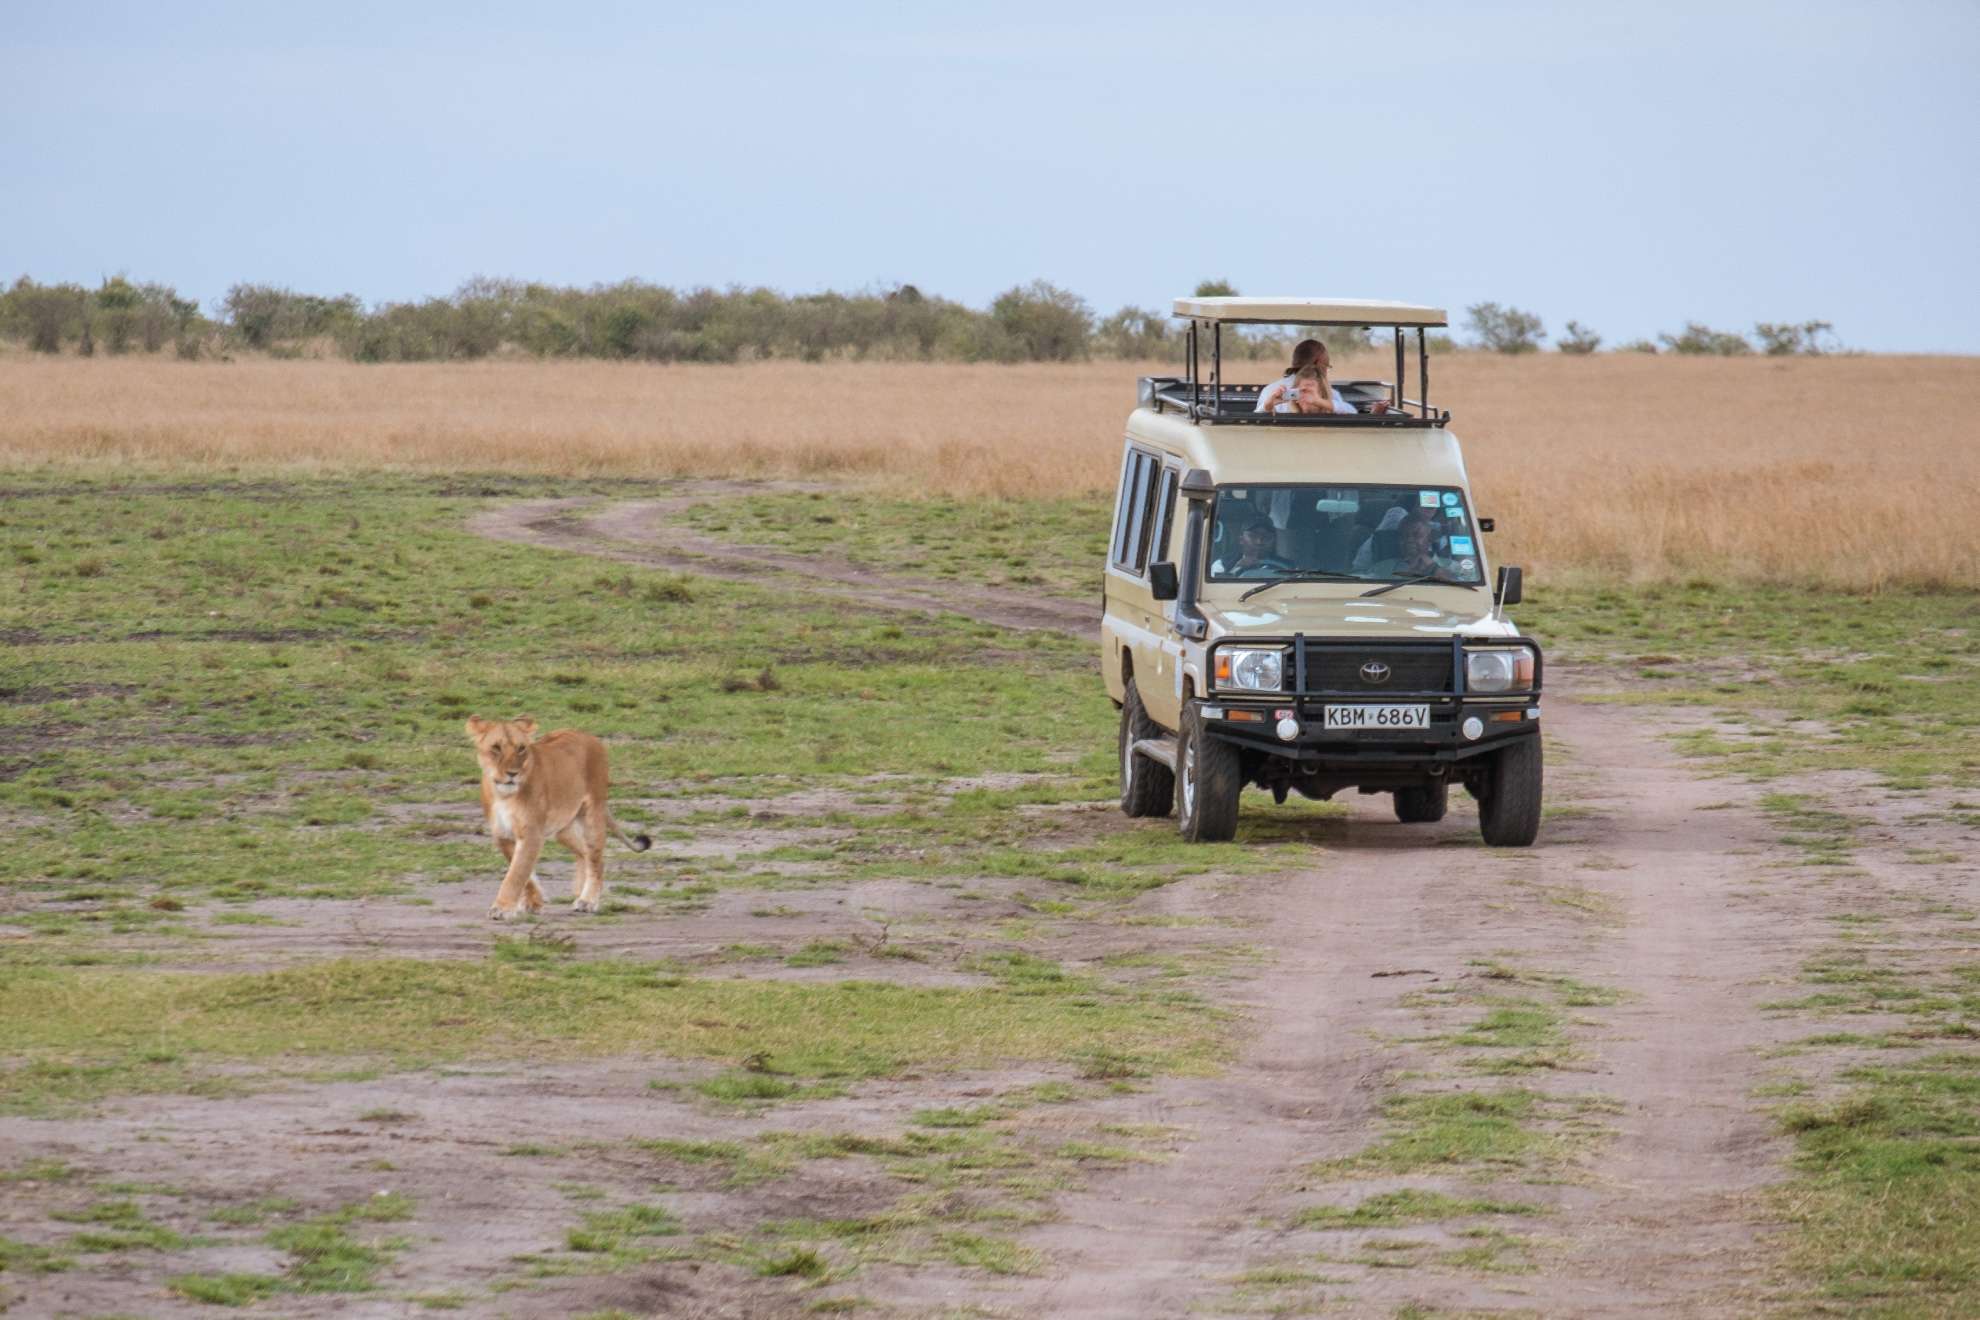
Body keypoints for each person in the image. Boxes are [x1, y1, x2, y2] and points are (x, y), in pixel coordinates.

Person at [1254, 339, 1393, 415]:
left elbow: (1256, 424)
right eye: (1327, 366)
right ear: (1319, 364)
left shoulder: (1269, 391)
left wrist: (1268, 405)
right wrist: (1373, 417)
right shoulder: (1330, 394)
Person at [1213, 515, 1288, 578]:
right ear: (1241, 539)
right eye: (1253, 536)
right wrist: (1236, 569)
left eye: (1266, 536)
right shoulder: (1222, 564)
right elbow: (1217, 590)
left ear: (1273, 541)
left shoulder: (1287, 566)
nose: (1259, 541)